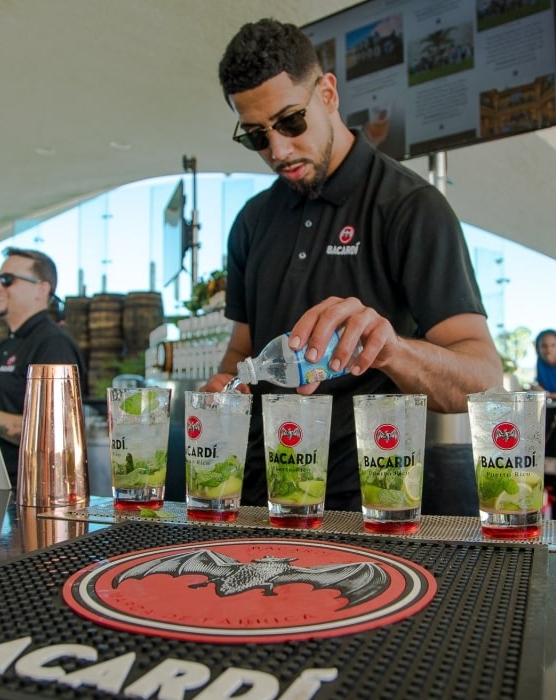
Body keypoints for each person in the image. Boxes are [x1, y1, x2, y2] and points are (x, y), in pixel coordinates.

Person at [201, 19, 503, 511]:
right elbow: (242, 351)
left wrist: (390, 349)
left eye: (290, 122)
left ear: (327, 93)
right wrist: (224, 390)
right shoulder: (253, 221)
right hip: (255, 500)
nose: (278, 150)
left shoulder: (410, 208)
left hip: (367, 506)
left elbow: (483, 379)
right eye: (256, 136)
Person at [0, 247, 86, 485]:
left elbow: (57, 432)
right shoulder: (3, 346)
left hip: (31, 490)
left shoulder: (52, 343)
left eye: (7, 280)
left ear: (41, 289)